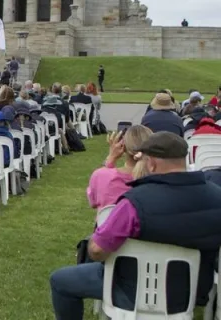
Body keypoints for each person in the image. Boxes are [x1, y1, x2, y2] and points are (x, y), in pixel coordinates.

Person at [50, 132, 221, 318]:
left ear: (152, 163)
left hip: (131, 291)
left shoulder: (135, 202)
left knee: (60, 280)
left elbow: (98, 250)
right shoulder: (216, 197)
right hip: (193, 290)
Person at [87, 125, 152, 210]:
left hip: (110, 223)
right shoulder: (161, 180)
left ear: (123, 146)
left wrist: (110, 158)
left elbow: (93, 202)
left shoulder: (101, 176)